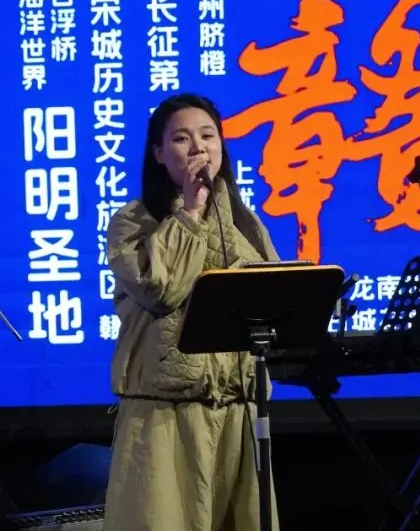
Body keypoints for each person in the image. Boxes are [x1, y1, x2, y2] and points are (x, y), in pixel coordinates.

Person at [103, 93, 282, 531]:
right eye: (182, 139)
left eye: (208, 136)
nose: (199, 147)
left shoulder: (246, 223)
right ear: (159, 153)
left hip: (239, 413)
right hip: (165, 417)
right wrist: (191, 211)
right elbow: (160, 289)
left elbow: (273, 296)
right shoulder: (133, 222)